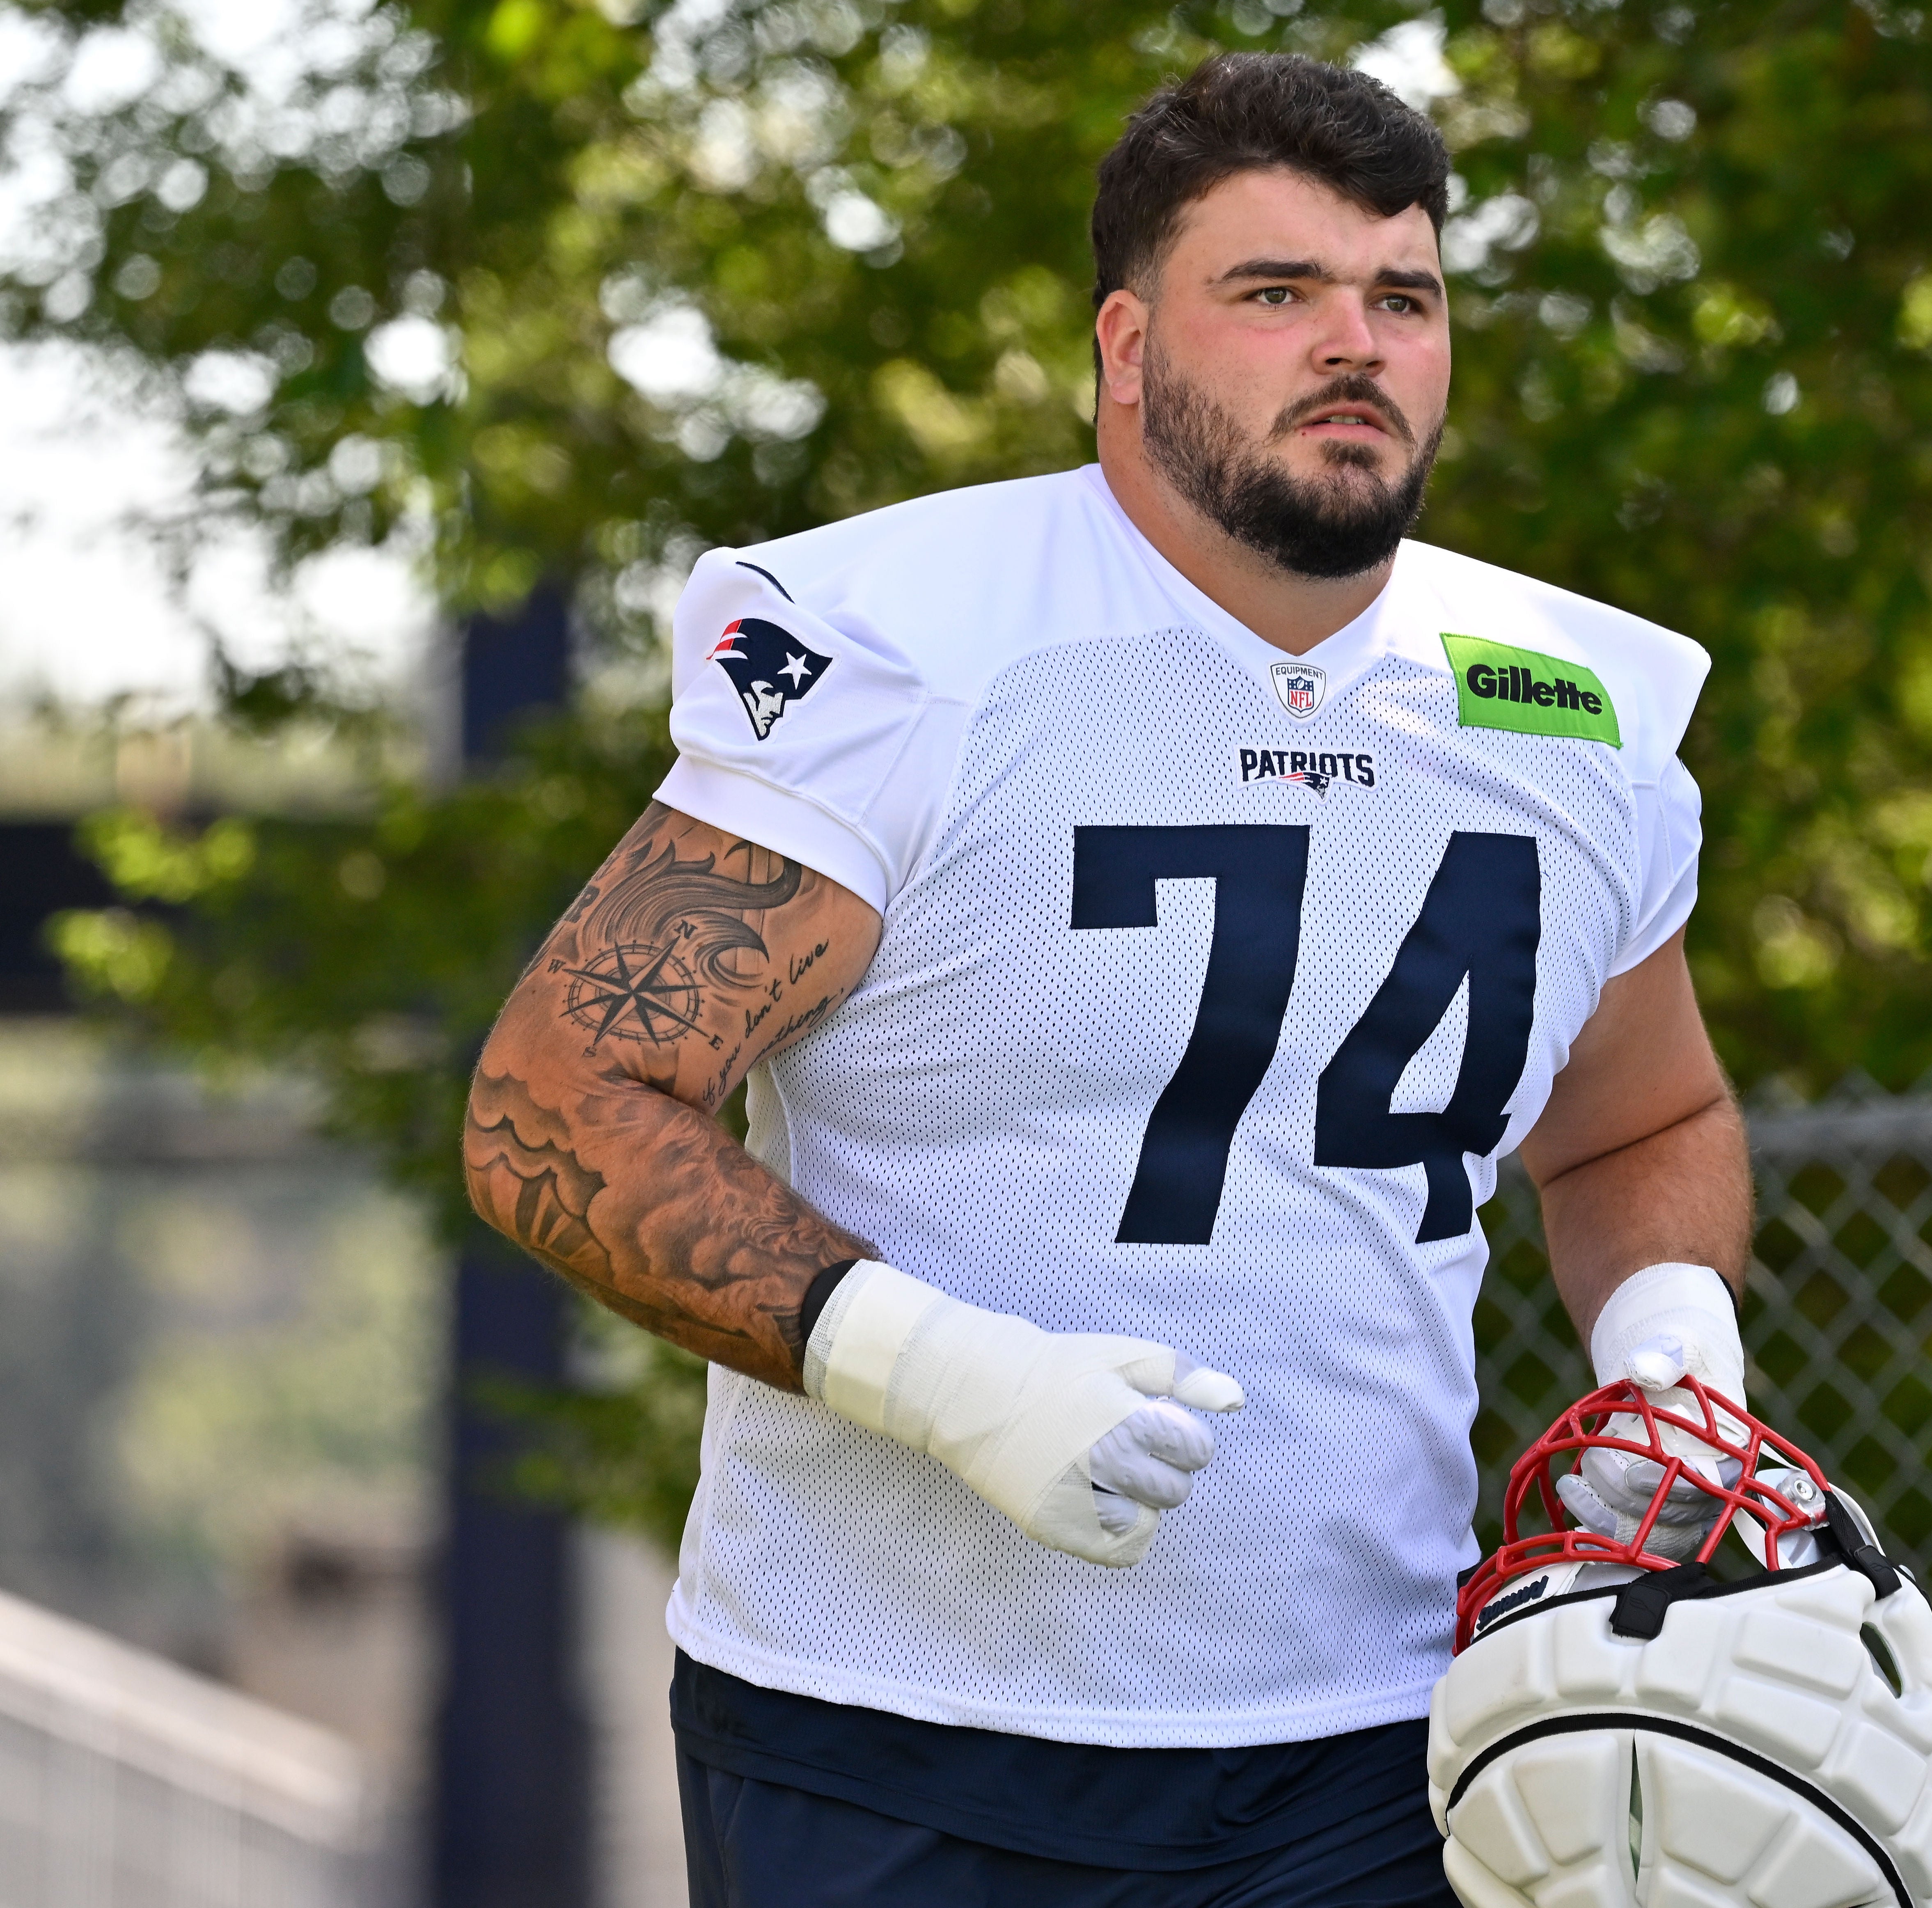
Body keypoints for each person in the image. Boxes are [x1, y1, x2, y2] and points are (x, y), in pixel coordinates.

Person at [464, 50, 1753, 1908]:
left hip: (1377, 1749)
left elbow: (1643, 1120)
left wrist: (1669, 1358)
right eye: (1277, 290)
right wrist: (937, 1373)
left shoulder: (1575, 705)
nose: (1357, 344)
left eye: (1403, 298)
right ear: (1128, 344)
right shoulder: (908, 644)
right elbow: (555, 1103)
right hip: (894, 1734)